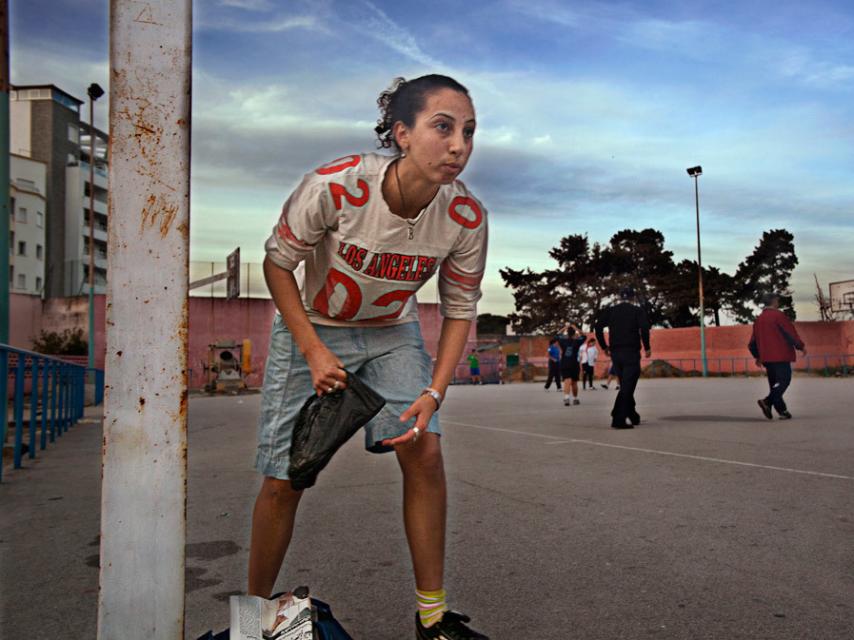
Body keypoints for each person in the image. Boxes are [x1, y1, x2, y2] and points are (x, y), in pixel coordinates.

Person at [249, 74, 490, 640]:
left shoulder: (466, 217)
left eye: (469, 131)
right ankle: (250, 622)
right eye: (443, 127)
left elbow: (459, 310)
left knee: (424, 451)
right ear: (402, 134)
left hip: (391, 331)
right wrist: (312, 350)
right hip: (314, 327)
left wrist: (434, 392)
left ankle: (433, 618)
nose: (459, 145)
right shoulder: (336, 186)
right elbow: (277, 265)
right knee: (286, 478)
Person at [595, 287, 650, 428]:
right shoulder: (637, 311)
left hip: (616, 353)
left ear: (620, 297)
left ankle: (632, 415)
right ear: (633, 298)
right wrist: (647, 347)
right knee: (628, 385)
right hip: (631, 352)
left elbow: (598, 327)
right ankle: (618, 418)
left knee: (626, 384)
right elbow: (644, 329)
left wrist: (604, 346)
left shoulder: (611, 311)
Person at [748, 292, 806, 420]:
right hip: (780, 356)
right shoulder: (778, 316)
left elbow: (752, 343)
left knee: (775, 384)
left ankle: (782, 411)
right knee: (784, 381)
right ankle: (767, 401)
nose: (778, 302)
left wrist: (758, 356)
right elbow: (790, 333)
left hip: (767, 358)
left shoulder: (759, 319)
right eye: (777, 300)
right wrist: (800, 346)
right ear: (774, 301)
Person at [558, 322, 586, 406]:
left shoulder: (563, 341)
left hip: (565, 363)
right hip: (574, 364)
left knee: (567, 380)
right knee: (574, 382)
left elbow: (557, 334)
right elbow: (584, 336)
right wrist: (576, 328)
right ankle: (575, 398)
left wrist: (565, 327)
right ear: (574, 334)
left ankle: (566, 398)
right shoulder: (577, 341)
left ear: (567, 333)